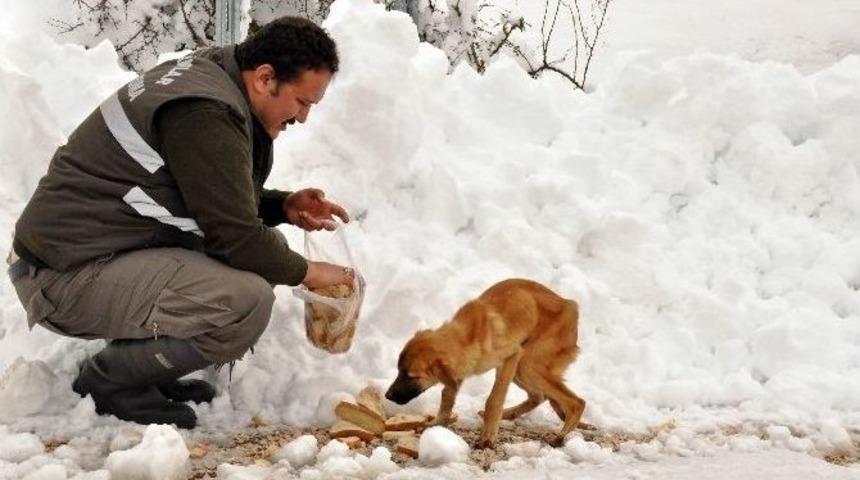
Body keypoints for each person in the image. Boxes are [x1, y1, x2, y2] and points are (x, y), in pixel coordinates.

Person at [6, 17, 353, 429]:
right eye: (302, 102)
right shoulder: (204, 112)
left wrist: (284, 206)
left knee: (260, 256)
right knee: (247, 300)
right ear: (264, 78)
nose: (304, 117)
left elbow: (207, 191)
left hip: (83, 254)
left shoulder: (216, 76)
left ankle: (144, 367)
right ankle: (111, 380)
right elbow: (236, 237)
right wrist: (311, 273)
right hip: (61, 276)